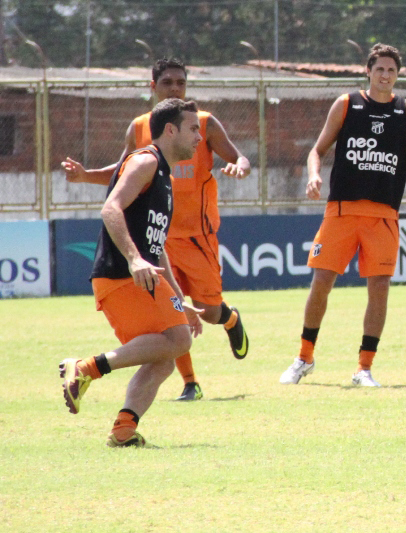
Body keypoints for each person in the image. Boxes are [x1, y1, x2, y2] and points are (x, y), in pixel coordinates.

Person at [62, 58, 251, 402]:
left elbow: (239, 157)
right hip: (152, 242)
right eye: (168, 82)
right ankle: (190, 382)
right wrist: (85, 175)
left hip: (196, 233)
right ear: (153, 87)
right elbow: (123, 174)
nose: (175, 88)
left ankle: (229, 317)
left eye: (181, 82)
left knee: (205, 312)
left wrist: (239, 167)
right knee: (172, 319)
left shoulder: (203, 124)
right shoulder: (140, 131)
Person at [279, 44, 406, 387]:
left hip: (384, 216)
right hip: (341, 212)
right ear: (368, 72)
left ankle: (364, 368)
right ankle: (303, 358)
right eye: (380, 69)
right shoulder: (347, 104)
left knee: (379, 289)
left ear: (397, 75)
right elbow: (317, 149)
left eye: (391, 70)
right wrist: (313, 175)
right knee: (321, 284)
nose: (385, 75)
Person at [60, 98, 204, 447]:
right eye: (194, 128)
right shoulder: (145, 161)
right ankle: (85, 368)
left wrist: (179, 299)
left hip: (139, 275)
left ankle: (124, 430)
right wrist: (133, 259)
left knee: (166, 356)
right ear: (171, 130)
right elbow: (110, 209)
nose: (200, 137)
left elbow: (158, 245)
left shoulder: (164, 176)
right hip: (120, 274)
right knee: (178, 341)